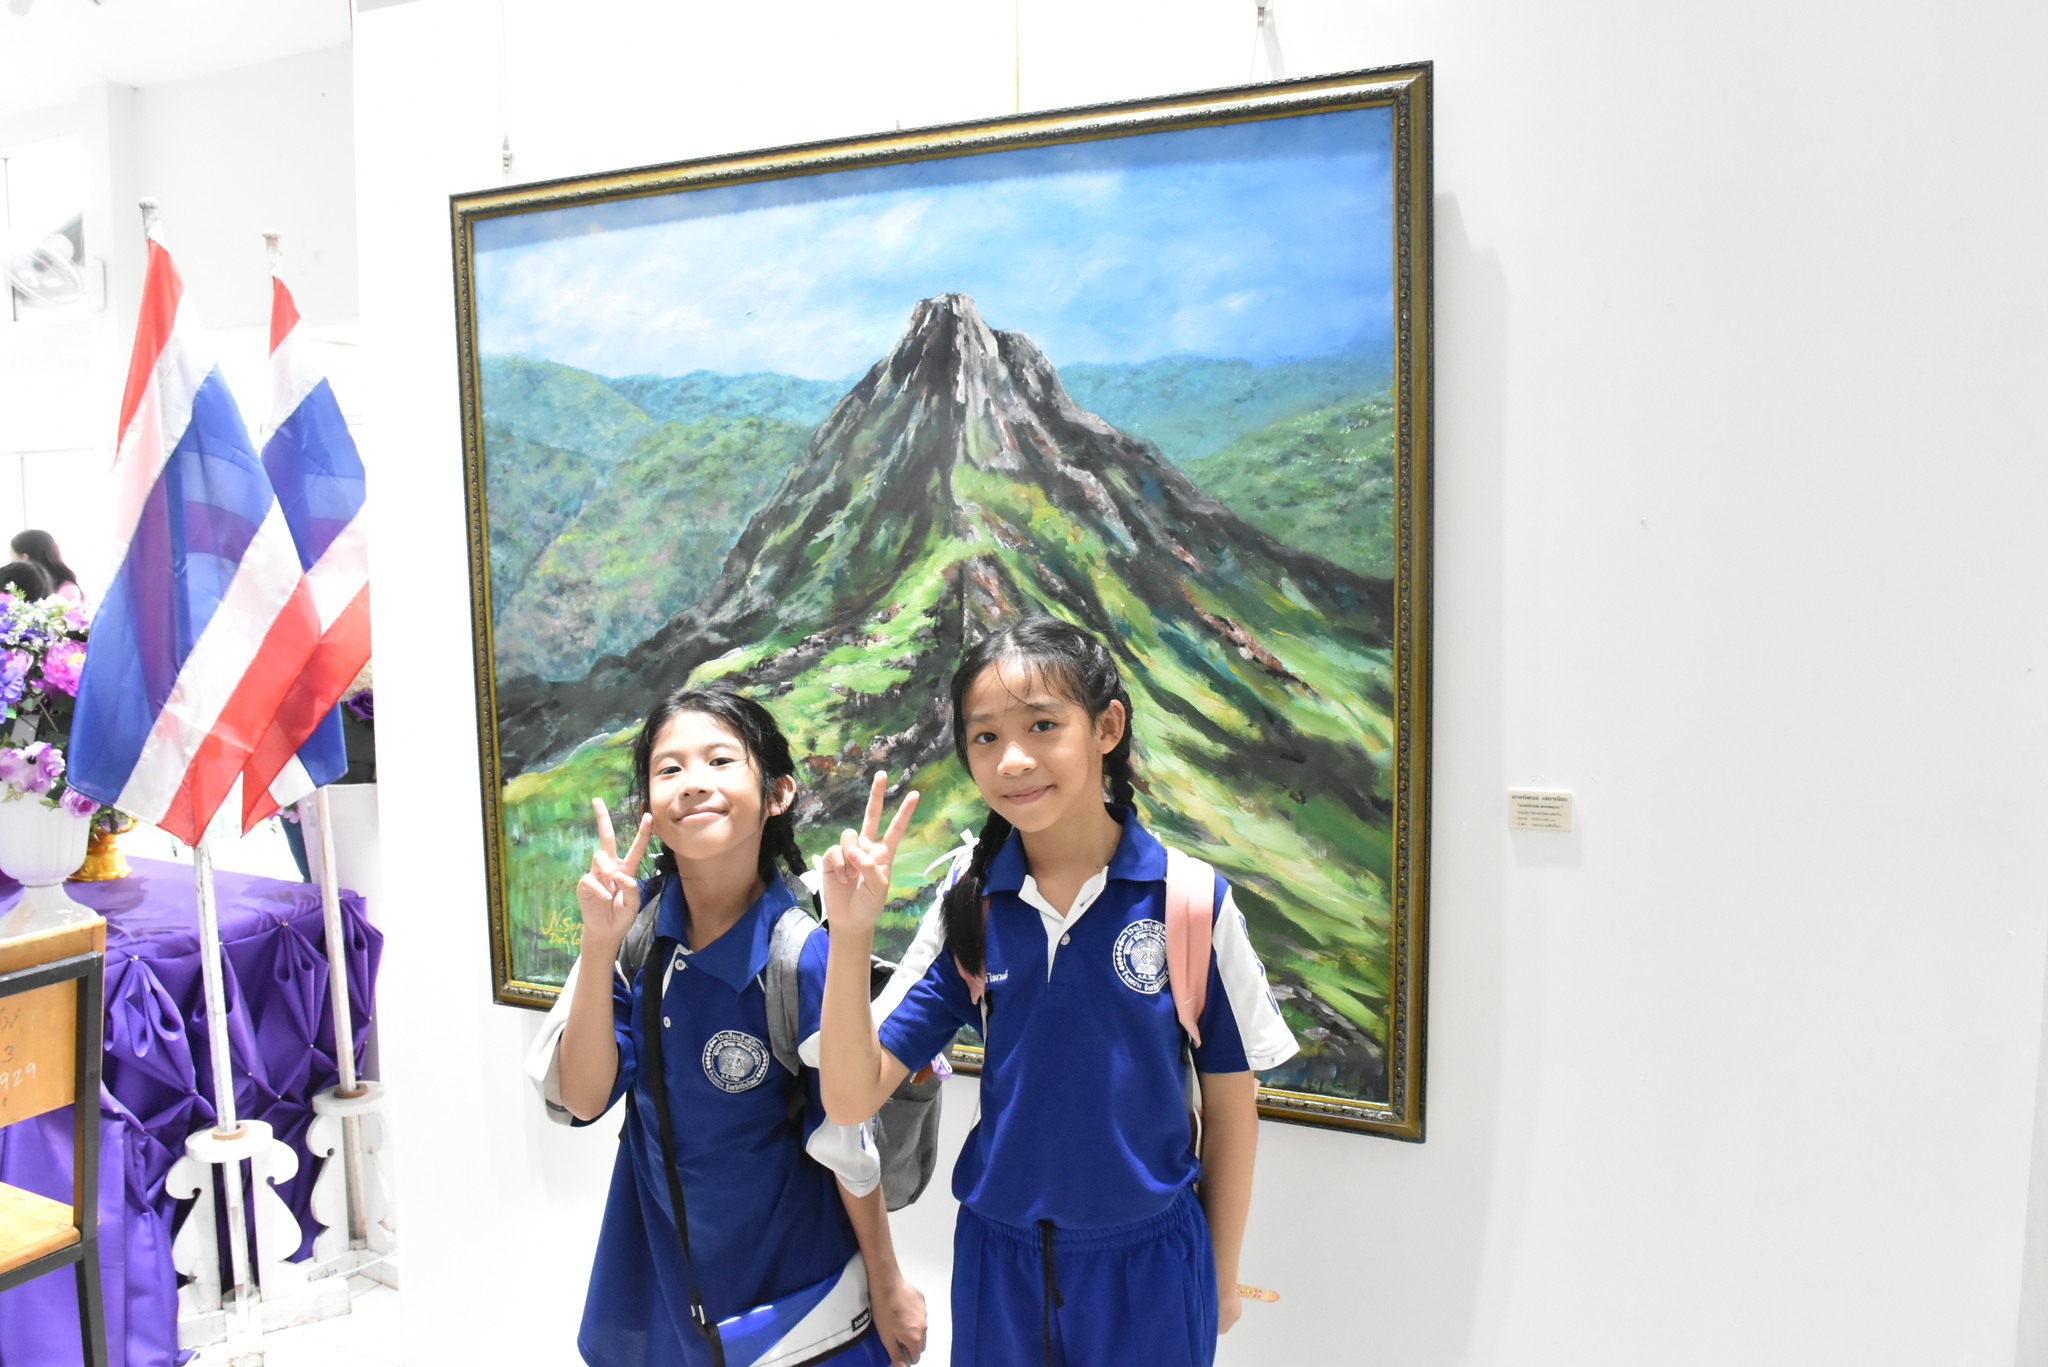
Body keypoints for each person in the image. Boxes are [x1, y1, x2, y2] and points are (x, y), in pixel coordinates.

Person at [816, 617, 1300, 1367]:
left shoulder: (1188, 899)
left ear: (1106, 727)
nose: (1013, 759)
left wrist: (1219, 1274)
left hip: (1149, 1265)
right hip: (998, 1264)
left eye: (1042, 725)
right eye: (985, 736)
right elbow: (850, 1100)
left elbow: (1233, 1105)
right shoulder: (971, 902)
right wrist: (851, 935)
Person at [548, 686, 927, 1367]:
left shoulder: (801, 956)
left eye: (721, 760)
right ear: (649, 808)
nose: (694, 782)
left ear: (777, 793)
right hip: (667, 1283)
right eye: (669, 768)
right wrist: (598, 944)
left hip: (793, 1303)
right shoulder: (635, 935)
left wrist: (888, 1279)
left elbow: (848, 1144)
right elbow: (582, 1097)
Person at [8, 530, 80, 606]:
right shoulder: (18, 587)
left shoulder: (65, 590)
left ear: (24, 558)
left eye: (12, 556)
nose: (10, 562)